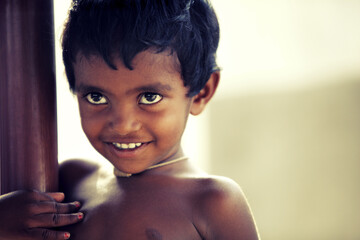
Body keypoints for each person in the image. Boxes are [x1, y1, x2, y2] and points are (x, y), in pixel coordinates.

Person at [0, 0, 259, 239]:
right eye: (96, 97)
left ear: (201, 93)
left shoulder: (214, 202)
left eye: (149, 97)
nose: (123, 125)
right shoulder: (71, 181)